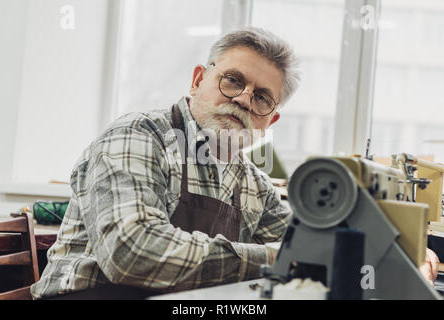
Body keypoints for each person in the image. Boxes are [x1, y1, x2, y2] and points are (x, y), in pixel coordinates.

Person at [31, 27, 438, 300]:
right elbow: (133, 253)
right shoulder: (140, 135)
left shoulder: (251, 180)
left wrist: (407, 256)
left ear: (269, 121)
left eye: (262, 97)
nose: (244, 98)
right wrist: (279, 259)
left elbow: (316, 243)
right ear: (197, 81)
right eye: (233, 81)